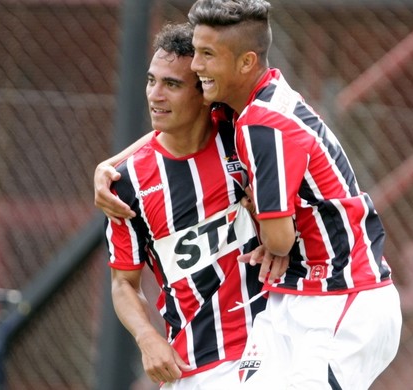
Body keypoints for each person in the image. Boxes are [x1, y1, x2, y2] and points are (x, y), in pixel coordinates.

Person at [185, 1, 403, 389]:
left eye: (207, 55)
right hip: (293, 294)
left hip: (342, 295)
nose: (194, 66)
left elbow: (280, 239)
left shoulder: (262, 122)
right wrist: (111, 165)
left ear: (246, 62)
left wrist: (270, 224)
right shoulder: (246, 103)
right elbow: (167, 125)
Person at [102, 22, 277, 389]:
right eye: (152, 81)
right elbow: (123, 283)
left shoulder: (242, 137)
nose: (155, 95)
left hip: (272, 343)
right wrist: (147, 337)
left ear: (205, 93)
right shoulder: (126, 183)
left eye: (172, 84)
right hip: (194, 366)